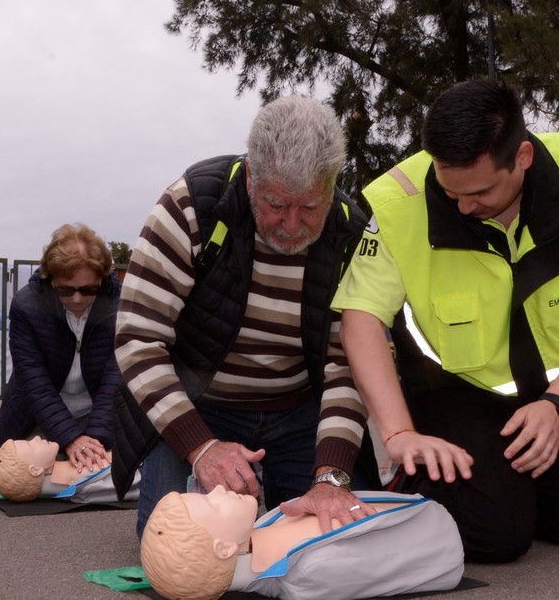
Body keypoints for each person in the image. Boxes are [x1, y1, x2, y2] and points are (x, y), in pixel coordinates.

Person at [331, 79, 559, 563]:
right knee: (496, 540)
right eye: (449, 190)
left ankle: (514, 493)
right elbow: (360, 319)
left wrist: (557, 405)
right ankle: (445, 485)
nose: (462, 207)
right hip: (459, 392)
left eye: (478, 192)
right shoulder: (399, 202)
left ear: (522, 157)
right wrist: (399, 435)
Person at [114, 96, 374, 539]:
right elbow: (139, 339)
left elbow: (347, 365)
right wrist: (202, 448)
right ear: (252, 175)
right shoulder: (192, 203)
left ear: (332, 185)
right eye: (275, 203)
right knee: (181, 543)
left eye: (310, 207)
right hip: (199, 404)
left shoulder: (350, 231)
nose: (291, 225)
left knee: (338, 541)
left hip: (299, 411)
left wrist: (332, 475)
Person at [139, 486, 463, 600]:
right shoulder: (309, 574)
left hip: (423, 503)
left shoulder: (264, 525)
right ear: (224, 549)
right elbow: (398, 562)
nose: (218, 490)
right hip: (447, 532)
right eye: (212, 504)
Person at [0, 223, 120, 474]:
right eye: (65, 290)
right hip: (37, 417)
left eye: (88, 289)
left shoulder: (122, 306)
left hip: (100, 415)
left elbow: (114, 380)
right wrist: (71, 438)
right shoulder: (25, 306)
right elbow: (33, 381)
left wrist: (95, 438)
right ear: (50, 279)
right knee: (24, 473)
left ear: (102, 278)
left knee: (119, 469)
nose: (76, 299)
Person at [0, 437, 130, 503]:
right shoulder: (80, 484)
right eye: (31, 445)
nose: (36, 438)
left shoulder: (76, 482)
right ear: (35, 470)